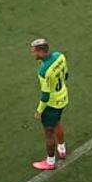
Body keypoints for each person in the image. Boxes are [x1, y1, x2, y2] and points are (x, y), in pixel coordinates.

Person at [30, 38, 69, 170]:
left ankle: (50, 162)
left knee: (49, 132)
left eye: (34, 52)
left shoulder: (43, 70)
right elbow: (66, 75)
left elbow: (45, 96)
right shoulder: (60, 56)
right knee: (57, 122)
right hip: (63, 97)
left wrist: (39, 111)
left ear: (41, 52)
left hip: (51, 105)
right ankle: (62, 149)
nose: (33, 54)